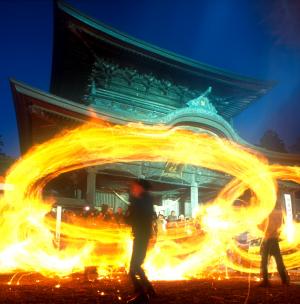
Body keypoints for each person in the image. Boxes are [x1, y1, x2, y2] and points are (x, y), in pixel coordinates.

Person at [125, 179, 156, 304]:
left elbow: (139, 217)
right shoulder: (144, 199)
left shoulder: (144, 200)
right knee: (135, 266)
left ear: (141, 187)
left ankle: (142, 293)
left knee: (134, 267)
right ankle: (147, 289)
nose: (133, 188)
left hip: (142, 235)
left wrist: (133, 200)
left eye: (135, 186)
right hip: (141, 235)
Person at [257, 200, 290, 287]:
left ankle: (266, 281)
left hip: (268, 240)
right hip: (274, 239)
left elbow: (263, 227)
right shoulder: (279, 213)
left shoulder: (267, 214)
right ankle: (284, 280)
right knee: (279, 261)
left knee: (264, 262)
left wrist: (258, 225)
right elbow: (280, 226)